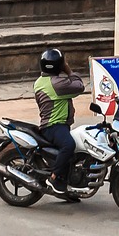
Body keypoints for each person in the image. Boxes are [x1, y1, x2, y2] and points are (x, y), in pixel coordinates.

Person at [33, 47, 84, 193]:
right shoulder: (58, 84)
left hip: (54, 125)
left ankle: (69, 185)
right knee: (69, 145)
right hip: (53, 126)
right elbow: (80, 86)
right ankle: (54, 178)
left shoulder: (39, 82)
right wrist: (68, 70)